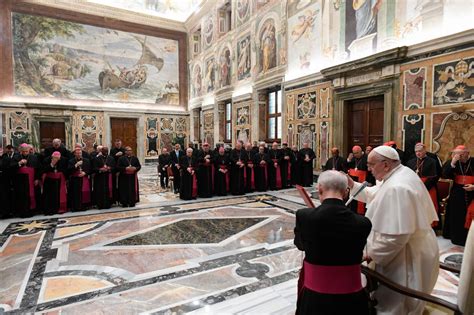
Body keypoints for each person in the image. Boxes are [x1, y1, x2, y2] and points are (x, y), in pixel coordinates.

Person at [348, 145, 439, 315]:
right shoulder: (399, 174)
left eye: (371, 165)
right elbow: (375, 194)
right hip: (411, 249)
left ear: (386, 164)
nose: (368, 169)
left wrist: (369, 254)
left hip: (405, 256)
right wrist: (352, 184)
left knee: (395, 305)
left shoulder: (397, 187)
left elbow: (395, 238)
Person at [294, 171, 371, 315]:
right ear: (346, 192)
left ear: (320, 189)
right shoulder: (363, 223)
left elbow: (300, 245)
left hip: (314, 299)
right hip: (352, 299)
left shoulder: (304, 216)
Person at [442, 145, 473, 246]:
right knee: (456, 216)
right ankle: (457, 238)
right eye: (456, 154)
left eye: (460, 154)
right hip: (457, 193)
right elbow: (444, 175)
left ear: (467, 153)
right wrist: (453, 162)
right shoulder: (454, 162)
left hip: (472, 193)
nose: (458, 156)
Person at [407, 143, 440, 228]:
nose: (418, 153)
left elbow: (434, 177)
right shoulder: (410, 162)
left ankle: (429, 226)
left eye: (420, 151)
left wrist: (423, 187)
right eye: (416, 151)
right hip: (414, 188)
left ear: (425, 150)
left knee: (428, 207)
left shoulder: (432, 161)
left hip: (428, 187)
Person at [11, 143, 40, 217]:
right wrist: (19, 163)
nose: (25, 153)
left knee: (31, 195)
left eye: (26, 151)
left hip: (31, 179)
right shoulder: (16, 157)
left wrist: (37, 178)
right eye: (23, 151)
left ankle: (31, 211)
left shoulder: (34, 157)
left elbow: (38, 169)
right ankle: (22, 212)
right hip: (20, 181)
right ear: (20, 150)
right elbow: (11, 167)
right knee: (22, 196)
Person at [347, 145, 370, 214]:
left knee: (361, 201)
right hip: (354, 182)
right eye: (354, 153)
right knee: (353, 199)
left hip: (364, 182)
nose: (355, 155)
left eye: (356, 153)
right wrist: (348, 160)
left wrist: (370, 182)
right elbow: (348, 167)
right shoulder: (353, 158)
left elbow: (370, 171)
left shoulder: (367, 158)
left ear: (361, 151)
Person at [110, 139, 126, 204]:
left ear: (121, 143)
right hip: (115, 170)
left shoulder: (124, 150)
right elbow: (110, 159)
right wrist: (116, 155)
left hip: (122, 170)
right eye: (117, 144)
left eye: (119, 143)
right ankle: (115, 199)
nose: (118, 145)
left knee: (122, 185)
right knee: (114, 185)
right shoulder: (112, 150)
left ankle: (121, 198)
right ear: (115, 144)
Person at [0, 146, 13, 218]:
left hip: (5, 181)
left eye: (0, 150)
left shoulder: (7, 159)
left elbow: (10, 169)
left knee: (6, 197)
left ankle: (7, 212)